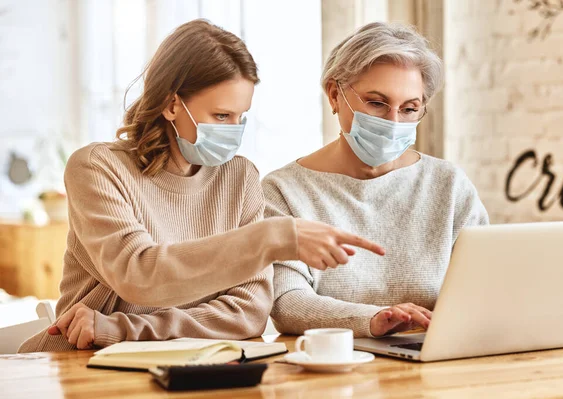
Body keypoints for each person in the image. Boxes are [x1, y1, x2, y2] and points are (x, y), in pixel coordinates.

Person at [19, 19, 383, 352]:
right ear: (171, 104)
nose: (233, 130)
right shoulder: (98, 168)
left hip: (191, 362)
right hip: (85, 362)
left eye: (241, 118)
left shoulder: (240, 178)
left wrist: (126, 328)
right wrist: (272, 237)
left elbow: (249, 312)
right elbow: (138, 273)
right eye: (221, 115)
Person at [263, 22, 489, 338]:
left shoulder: (448, 185)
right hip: (334, 368)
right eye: (377, 103)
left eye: (410, 109)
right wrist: (374, 319)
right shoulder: (284, 191)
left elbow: (486, 285)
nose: (393, 122)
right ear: (334, 94)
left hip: (436, 359)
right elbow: (286, 304)